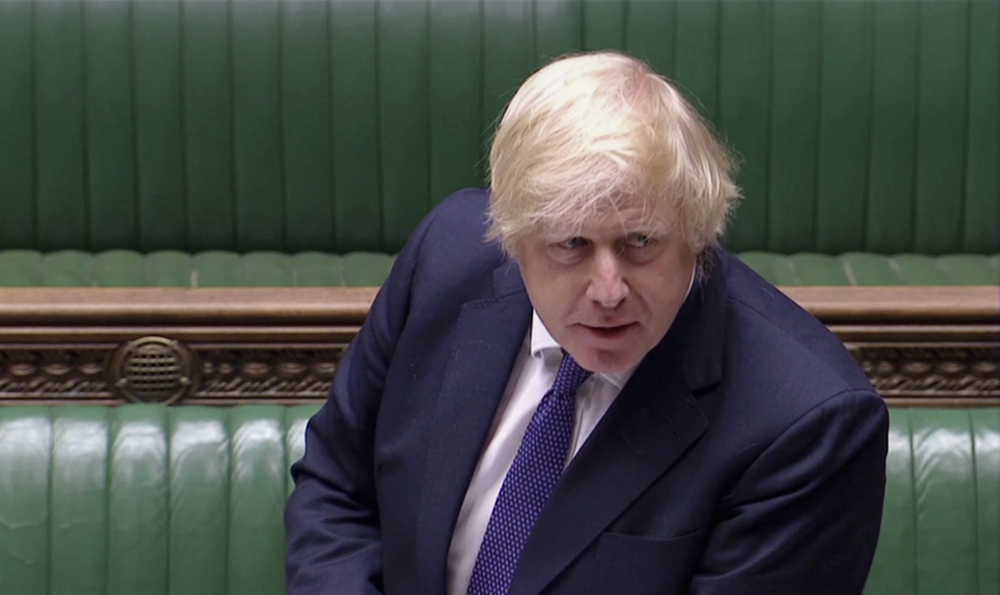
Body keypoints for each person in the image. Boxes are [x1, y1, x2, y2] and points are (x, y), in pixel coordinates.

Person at [285, 51, 888, 595]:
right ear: (514, 241)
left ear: (697, 234)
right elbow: (338, 488)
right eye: (570, 244)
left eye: (641, 243)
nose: (608, 291)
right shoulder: (446, 260)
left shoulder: (809, 423)